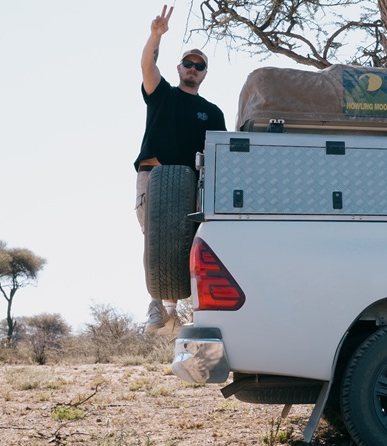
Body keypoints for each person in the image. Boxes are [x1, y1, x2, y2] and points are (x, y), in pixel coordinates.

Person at [136, 5, 227, 334]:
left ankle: (174, 309)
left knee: (189, 241)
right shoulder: (162, 95)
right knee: (154, 236)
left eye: (199, 66)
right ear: (179, 67)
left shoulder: (212, 112)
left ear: (204, 74)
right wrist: (155, 36)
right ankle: (156, 305)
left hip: (192, 186)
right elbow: (147, 65)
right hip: (154, 175)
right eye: (188, 63)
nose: (192, 68)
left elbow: (220, 153)